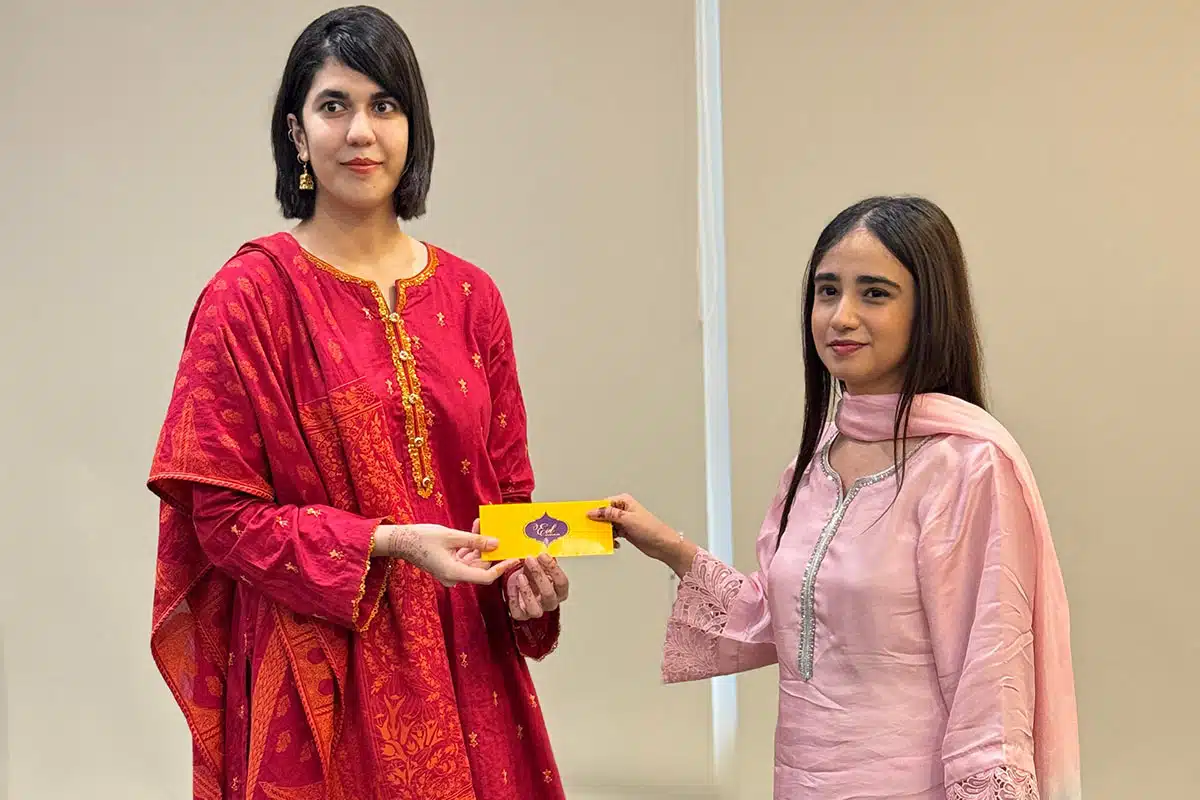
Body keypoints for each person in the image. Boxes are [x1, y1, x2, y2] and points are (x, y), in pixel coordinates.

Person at [147, 7, 569, 798]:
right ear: (297, 134)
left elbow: (509, 499)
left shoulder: (472, 297)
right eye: (333, 105)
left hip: (468, 679)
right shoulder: (249, 297)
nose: (360, 132)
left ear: (413, 128)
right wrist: (389, 542)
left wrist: (529, 584)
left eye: (385, 105)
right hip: (318, 679)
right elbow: (221, 520)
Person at [591, 196, 1082, 799]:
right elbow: (778, 618)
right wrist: (667, 544)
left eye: (874, 293)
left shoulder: (967, 466)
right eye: (828, 292)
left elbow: (989, 680)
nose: (841, 316)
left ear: (929, 310)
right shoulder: (814, 464)